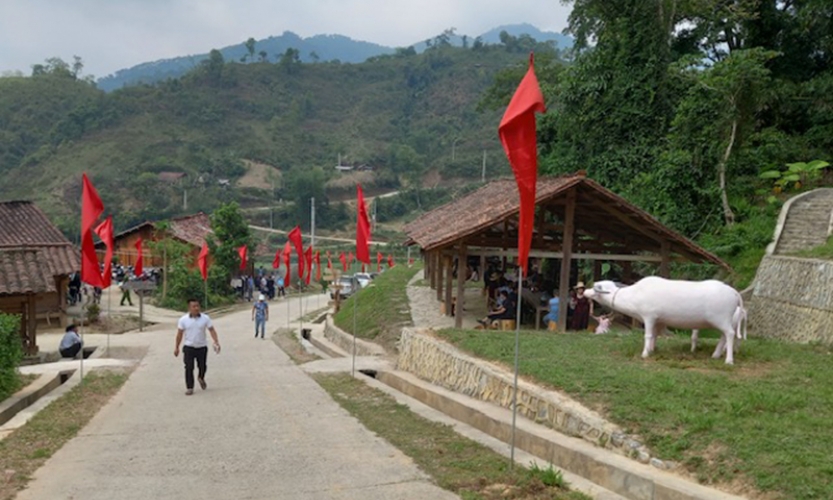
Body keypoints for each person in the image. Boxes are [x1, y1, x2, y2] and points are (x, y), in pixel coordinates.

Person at [174, 298, 221, 396]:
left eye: (197, 306)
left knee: (202, 366)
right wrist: (177, 347)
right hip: (189, 346)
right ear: (189, 308)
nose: (196, 308)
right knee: (188, 367)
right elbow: (179, 334)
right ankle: (189, 387)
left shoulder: (205, 318)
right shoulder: (183, 320)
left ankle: (201, 377)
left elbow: (211, 330)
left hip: (202, 346)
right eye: (194, 306)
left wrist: (216, 341)